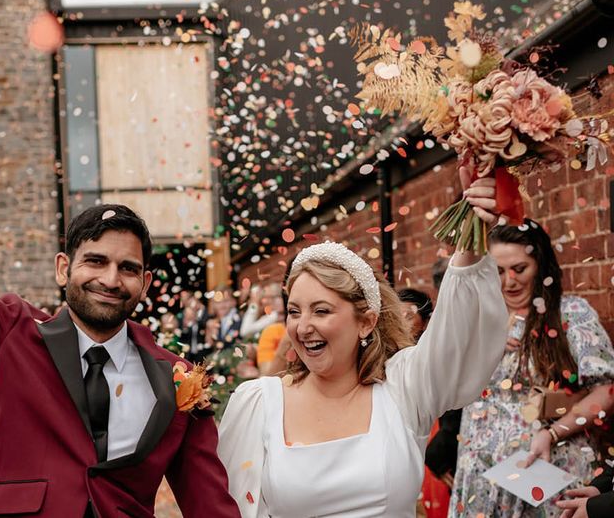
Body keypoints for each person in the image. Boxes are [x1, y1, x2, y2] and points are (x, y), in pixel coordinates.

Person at [0, 18, 239, 518]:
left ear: (146, 282)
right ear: (62, 268)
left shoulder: (180, 381)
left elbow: (210, 505)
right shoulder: (6, 335)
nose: (110, 279)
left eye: (127, 267)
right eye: (94, 261)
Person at [218, 169, 509, 517]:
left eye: (321, 310)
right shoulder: (259, 404)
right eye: (294, 312)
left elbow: (455, 333)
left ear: (365, 322)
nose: (303, 326)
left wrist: (471, 242)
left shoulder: (404, 389)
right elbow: (229, 507)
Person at [449, 219, 614, 517]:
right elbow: (449, 388)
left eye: (519, 268)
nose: (509, 281)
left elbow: (606, 391)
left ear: (540, 265)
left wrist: (552, 434)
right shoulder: (479, 322)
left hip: (545, 470)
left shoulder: (571, 313)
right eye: (499, 271)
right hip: (481, 475)